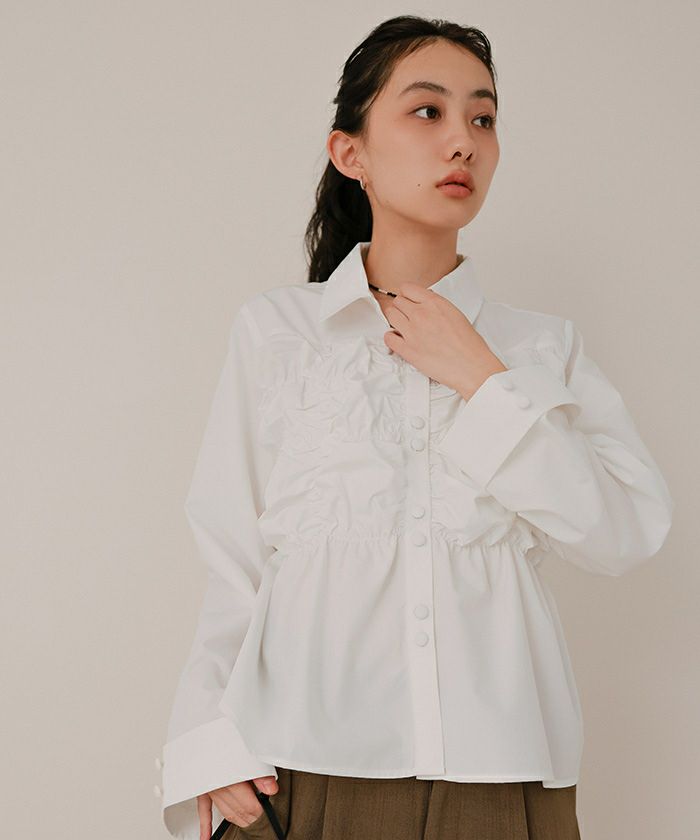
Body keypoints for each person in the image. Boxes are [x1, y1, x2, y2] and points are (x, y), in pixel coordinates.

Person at [157, 14, 674, 840]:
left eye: (483, 118)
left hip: (503, 771)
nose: (463, 141)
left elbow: (624, 532)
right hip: (303, 761)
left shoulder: (541, 347)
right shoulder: (278, 332)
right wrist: (204, 743)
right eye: (427, 111)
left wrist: (484, 380)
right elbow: (232, 555)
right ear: (350, 152)